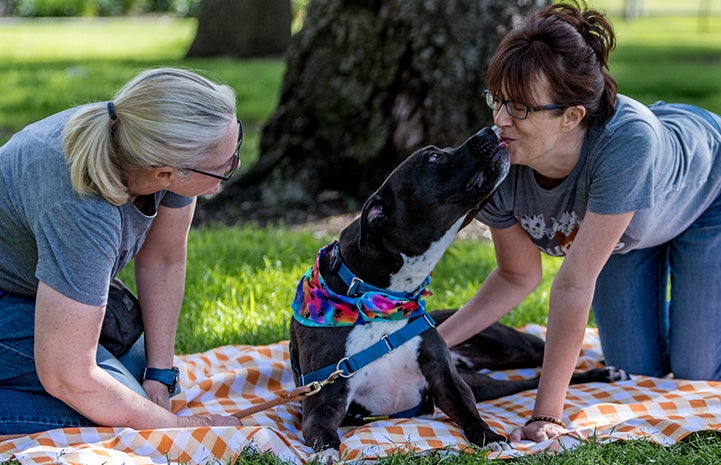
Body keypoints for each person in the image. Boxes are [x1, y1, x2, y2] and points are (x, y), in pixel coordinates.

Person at [437, 0, 721, 443]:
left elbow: (573, 282)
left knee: (696, 369)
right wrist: (432, 343)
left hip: (707, 196)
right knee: (636, 372)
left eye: (521, 108)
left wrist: (547, 414)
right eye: (497, 100)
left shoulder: (626, 143)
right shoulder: (501, 160)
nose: (500, 120)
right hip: (629, 235)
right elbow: (517, 274)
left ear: (572, 116)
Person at [0, 67, 244, 433]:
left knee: (134, 384)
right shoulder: (82, 209)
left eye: (235, 145)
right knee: (105, 409)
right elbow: (66, 376)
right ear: (165, 174)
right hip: (11, 294)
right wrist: (176, 425)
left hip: (30, 286)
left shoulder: (149, 136)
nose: (233, 165)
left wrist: (159, 376)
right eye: (224, 167)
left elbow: (163, 259)